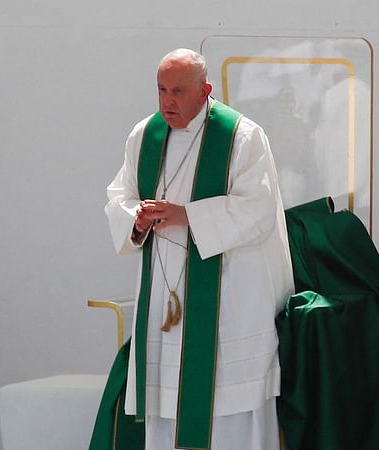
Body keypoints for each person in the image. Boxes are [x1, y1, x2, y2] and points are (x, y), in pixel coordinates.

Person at [103, 48, 293, 450]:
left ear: (205, 90)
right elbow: (119, 195)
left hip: (229, 301)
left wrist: (185, 215)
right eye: (161, 91)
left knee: (229, 408)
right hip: (164, 301)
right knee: (166, 401)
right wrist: (134, 219)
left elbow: (257, 208)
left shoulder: (242, 137)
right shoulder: (145, 135)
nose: (167, 101)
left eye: (178, 91)